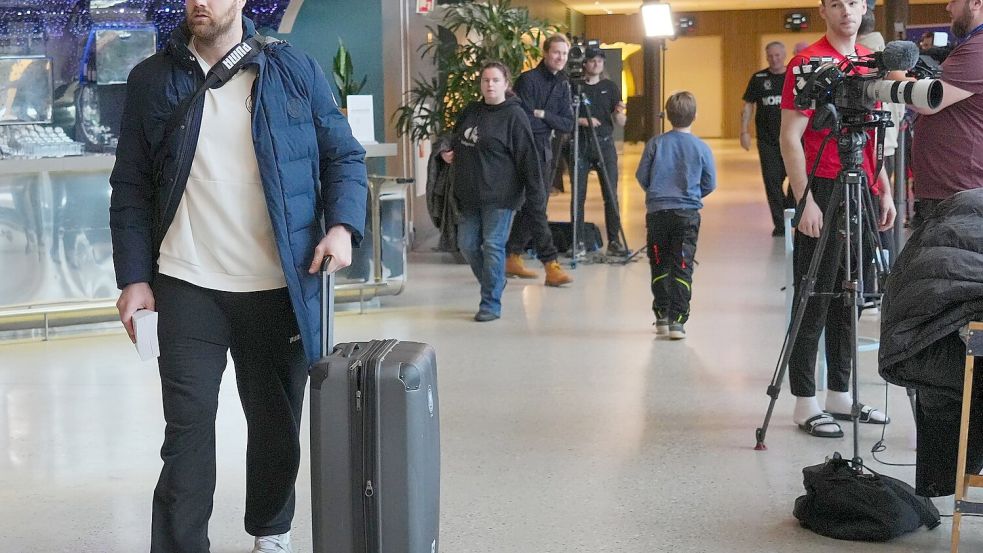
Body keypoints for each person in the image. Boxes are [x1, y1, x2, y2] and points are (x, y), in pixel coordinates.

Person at [109, 0, 368, 551]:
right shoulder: (152, 80)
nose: (200, 2)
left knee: (276, 425)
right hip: (186, 282)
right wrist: (134, 277)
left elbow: (343, 155)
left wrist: (343, 225)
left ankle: (271, 532)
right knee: (187, 434)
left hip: (278, 285)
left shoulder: (293, 69)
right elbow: (129, 184)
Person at [780, 0, 897, 438]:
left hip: (862, 184)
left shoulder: (868, 61)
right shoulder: (806, 63)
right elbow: (789, 137)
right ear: (824, 11)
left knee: (851, 293)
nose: (846, 10)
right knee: (814, 294)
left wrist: (881, 185)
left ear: (863, 8)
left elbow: (867, 133)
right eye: (836, 3)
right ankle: (804, 401)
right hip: (823, 186)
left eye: (853, 2)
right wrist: (804, 197)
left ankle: (841, 394)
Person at [439, 61, 545, 322]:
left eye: (495, 80)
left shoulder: (514, 116)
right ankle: (495, 282)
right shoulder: (471, 111)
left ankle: (490, 302)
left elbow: (528, 157)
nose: (490, 85)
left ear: (506, 84)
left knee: (493, 246)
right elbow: (452, 137)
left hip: (501, 196)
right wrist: (445, 150)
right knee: (467, 245)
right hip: (469, 194)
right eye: (486, 80)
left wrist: (536, 196)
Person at [635, 91, 716, 340]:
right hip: (687, 215)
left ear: (667, 116)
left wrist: (657, 193)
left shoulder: (656, 144)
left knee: (659, 261)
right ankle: (677, 321)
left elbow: (642, 176)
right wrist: (692, 196)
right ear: (696, 116)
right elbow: (710, 182)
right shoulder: (701, 147)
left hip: (658, 213)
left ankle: (661, 314)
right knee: (682, 265)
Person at [504, 34, 574, 287]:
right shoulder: (528, 80)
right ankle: (550, 264)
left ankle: (512, 255)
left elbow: (568, 122)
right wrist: (547, 119)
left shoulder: (564, 84)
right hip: (525, 149)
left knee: (536, 204)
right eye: (556, 52)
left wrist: (543, 114)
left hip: (546, 150)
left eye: (564, 54)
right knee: (535, 204)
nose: (561, 58)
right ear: (545, 53)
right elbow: (524, 120)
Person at [909, 0, 983, 229]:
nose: (948, 7)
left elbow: (929, 100)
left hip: (958, 195)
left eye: (953, 1)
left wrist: (893, 75)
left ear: (975, 3)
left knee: (951, 264)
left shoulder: (978, 48)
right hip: (951, 191)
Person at [569, 47, 628, 254]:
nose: (597, 64)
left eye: (600, 61)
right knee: (578, 195)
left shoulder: (610, 87)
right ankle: (577, 241)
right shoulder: (574, 87)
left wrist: (621, 114)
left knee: (610, 194)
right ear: (585, 63)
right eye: (592, 61)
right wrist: (583, 121)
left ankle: (614, 240)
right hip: (582, 144)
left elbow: (619, 118)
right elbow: (565, 117)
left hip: (604, 143)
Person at [741, 41, 792, 237]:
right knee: (772, 183)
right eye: (770, 55)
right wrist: (743, 131)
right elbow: (747, 106)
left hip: (792, 140)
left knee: (796, 181)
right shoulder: (758, 78)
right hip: (767, 141)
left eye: (778, 55)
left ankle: (791, 211)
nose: (774, 59)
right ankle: (780, 225)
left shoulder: (793, 77)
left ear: (784, 54)